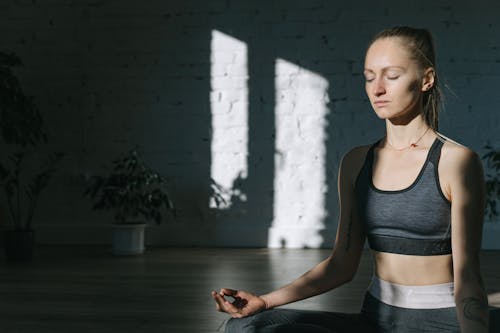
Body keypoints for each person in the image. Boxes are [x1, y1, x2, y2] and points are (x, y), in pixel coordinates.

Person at [211, 26, 490, 332]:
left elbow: (468, 278)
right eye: (369, 76)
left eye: (391, 75)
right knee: (244, 327)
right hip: (375, 320)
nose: (377, 88)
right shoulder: (357, 162)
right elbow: (341, 265)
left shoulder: (455, 161)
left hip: (437, 323)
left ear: (426, 79)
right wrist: (264, 302)